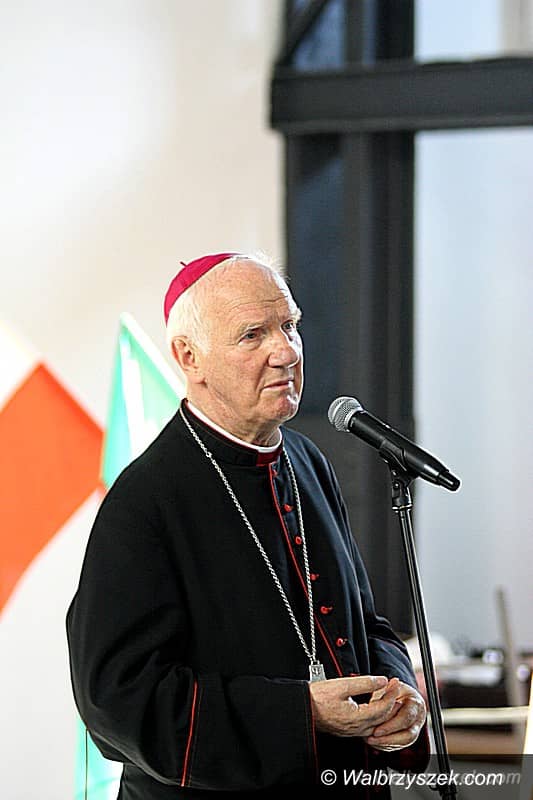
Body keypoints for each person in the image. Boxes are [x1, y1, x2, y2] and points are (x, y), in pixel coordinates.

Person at [66, 251, 429, 798]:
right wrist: (301, 714)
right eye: (253, 335)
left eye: (290, 326)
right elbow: (118, 701)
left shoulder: (306, 462)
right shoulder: (145, 500)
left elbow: (363, 625)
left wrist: (398, 694)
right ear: (190, 357)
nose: (286, 352)